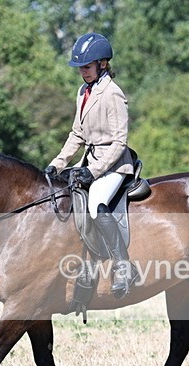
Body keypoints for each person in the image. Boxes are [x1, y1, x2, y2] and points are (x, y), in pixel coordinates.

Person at [46, 33, 137, 299]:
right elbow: (77, 134)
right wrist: (57, 164)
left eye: (87, 66)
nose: (82, 72)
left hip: (115, 166)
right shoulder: (83, 92)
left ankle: (123, 266)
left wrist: (94, 172)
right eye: (80, 68)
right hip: (90, 162)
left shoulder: (113, 94)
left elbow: (120, 142)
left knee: (97, 205)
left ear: (103, 64)